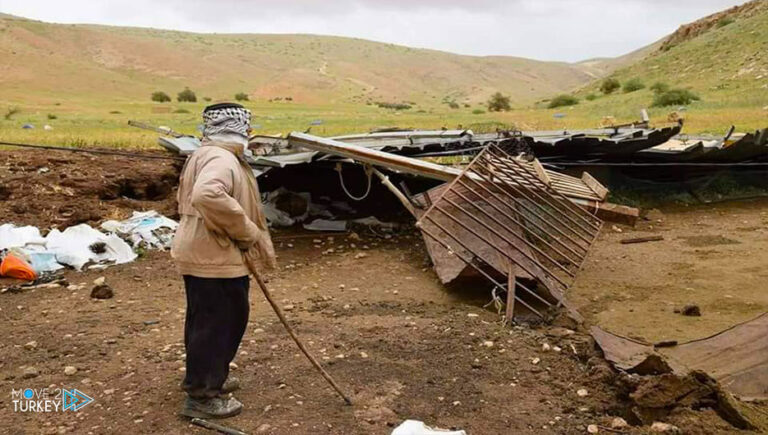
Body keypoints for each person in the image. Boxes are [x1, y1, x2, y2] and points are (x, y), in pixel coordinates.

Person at [171, 102, 277, 419]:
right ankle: (202, 397)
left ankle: (204, 378)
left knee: (206, 321)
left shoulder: (206, 153)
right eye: (248, 127)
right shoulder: (221, 158)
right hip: (214, 253)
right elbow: (207, 195)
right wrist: (245, 230)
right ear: (242, 129)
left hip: (204, 251)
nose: (250, 132)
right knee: (220, 324)